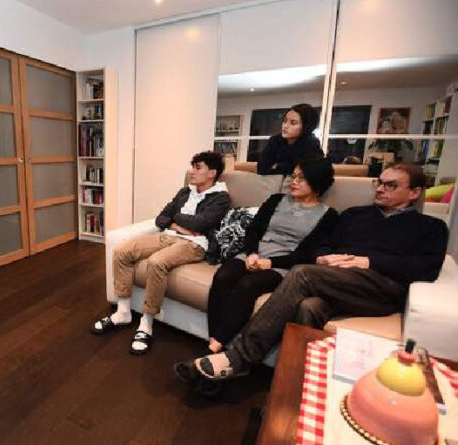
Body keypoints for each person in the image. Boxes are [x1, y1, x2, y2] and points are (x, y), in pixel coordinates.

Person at [174, 162, 448, 393]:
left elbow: (427, 267)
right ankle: (294, 386)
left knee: (301, 273)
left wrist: (368, 261)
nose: (380, 189)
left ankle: (239, 357)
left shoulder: (430, 227)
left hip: (378, 288)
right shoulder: (355, 215)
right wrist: (324, 257)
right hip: (333, 280)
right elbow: (325, 245)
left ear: (414, 193)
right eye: (380, 182)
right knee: (307, 307)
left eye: (391, 185)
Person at [91, 151, 231, 354]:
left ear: (212, 173)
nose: (191, 171)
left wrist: (177, 220)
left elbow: (201, 224)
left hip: (195, 244)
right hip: (169, 235)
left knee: (156, 262)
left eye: (197, 167)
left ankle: (146, 323)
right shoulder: (185, 192)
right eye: (192, 166)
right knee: (122, 251)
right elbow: (161, 218)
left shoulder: (221, 198)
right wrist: (179, 224)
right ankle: (123, 312)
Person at [205, 159, 338, 356]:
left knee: (247, 286)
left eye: (302, 178)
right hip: (254, 254)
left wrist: (270, 263)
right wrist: (251, 253)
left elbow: (308, 254)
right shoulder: (276, 200)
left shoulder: (328, 215)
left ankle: (213, 349)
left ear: (317, 183)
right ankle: (216, 341)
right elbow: (253, 230)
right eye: (294, 176)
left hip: (283, 266)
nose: (294, 181)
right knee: (223, 276)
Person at [257, 103, 324, 176]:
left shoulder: (312, 144)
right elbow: (261, 169)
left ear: (306, 126)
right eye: (285, 121)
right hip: (272, 185)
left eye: (293, 123)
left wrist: (277, 167)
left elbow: (305, 173)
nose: (285, 126)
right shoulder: (275, 140)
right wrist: (288, 167)